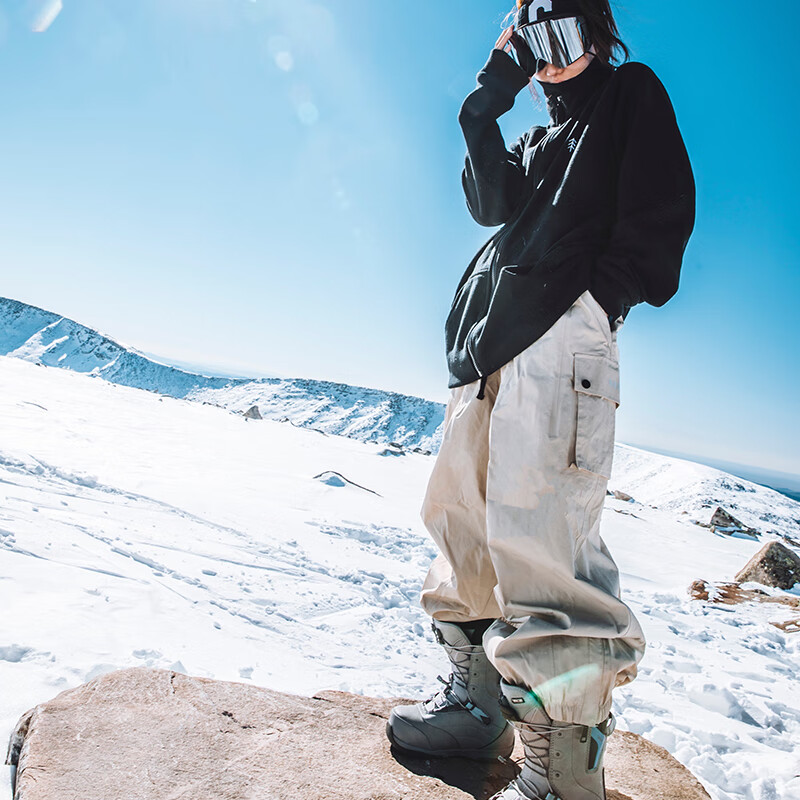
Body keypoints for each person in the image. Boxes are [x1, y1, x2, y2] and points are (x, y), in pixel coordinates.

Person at [386, 1, 696, 798]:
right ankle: (477, 707)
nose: (553, 60)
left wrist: (593, 304)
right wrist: (482, 102)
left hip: (559, 348)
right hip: (485, 357)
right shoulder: (534, 139)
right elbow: (489, 205)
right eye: (535, 43)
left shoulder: (629, 97)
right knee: (462, 532)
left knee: (544, 549)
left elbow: (662, 214)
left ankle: (562, 773)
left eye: (567, 36)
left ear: (598, 36)